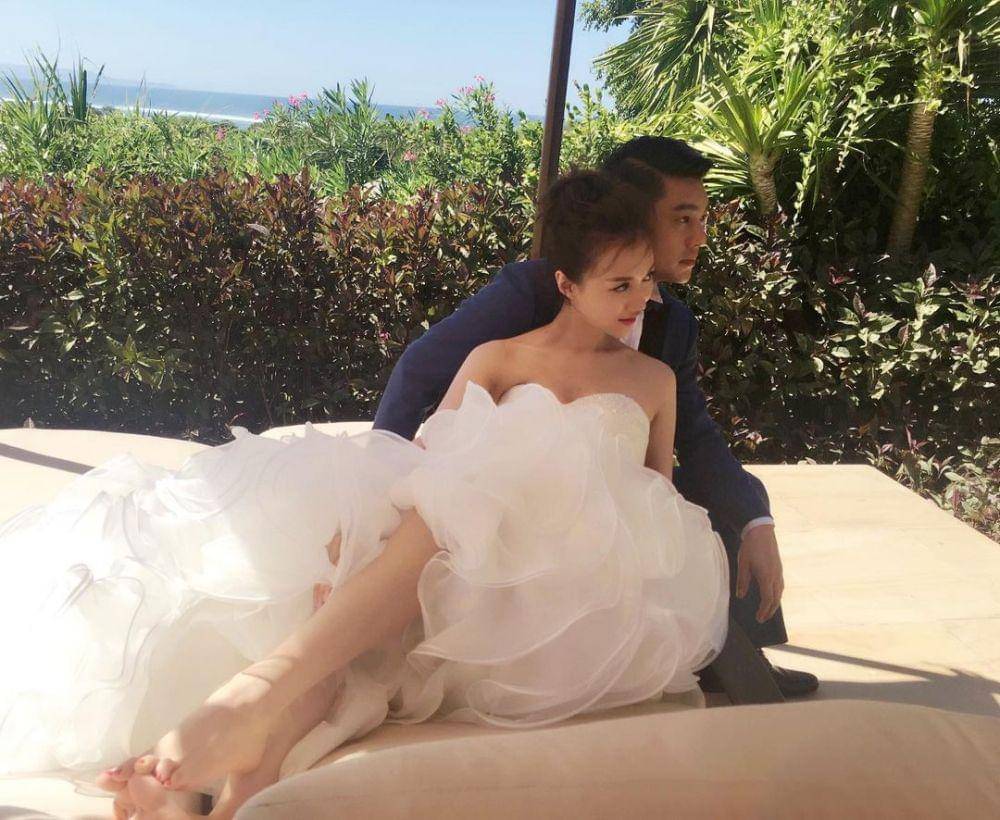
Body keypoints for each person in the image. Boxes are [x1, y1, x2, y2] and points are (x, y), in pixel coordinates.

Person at [0, 168, 730, 819]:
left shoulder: (652, 381)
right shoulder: (498, 358)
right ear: (566, 285)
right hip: (460, 568)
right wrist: (354, 548)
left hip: (565, 598)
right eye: (620, 285)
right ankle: (236, 787)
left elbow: (655, 503)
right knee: (359, 609)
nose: (641, 299)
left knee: (485, 494)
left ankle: (251, 698)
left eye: (646, 280)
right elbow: (420, 468)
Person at [375, 136, 819, 698]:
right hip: (519, 496)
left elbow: (697, 439)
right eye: (683, 219)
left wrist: (757, 520)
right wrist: (380, 496)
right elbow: (420, 369)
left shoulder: (675, 324)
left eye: (703, 219)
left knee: (705, 510)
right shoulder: (532, 291)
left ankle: (733, 653)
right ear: (635, 215)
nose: (699, 238)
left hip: (611, 493)